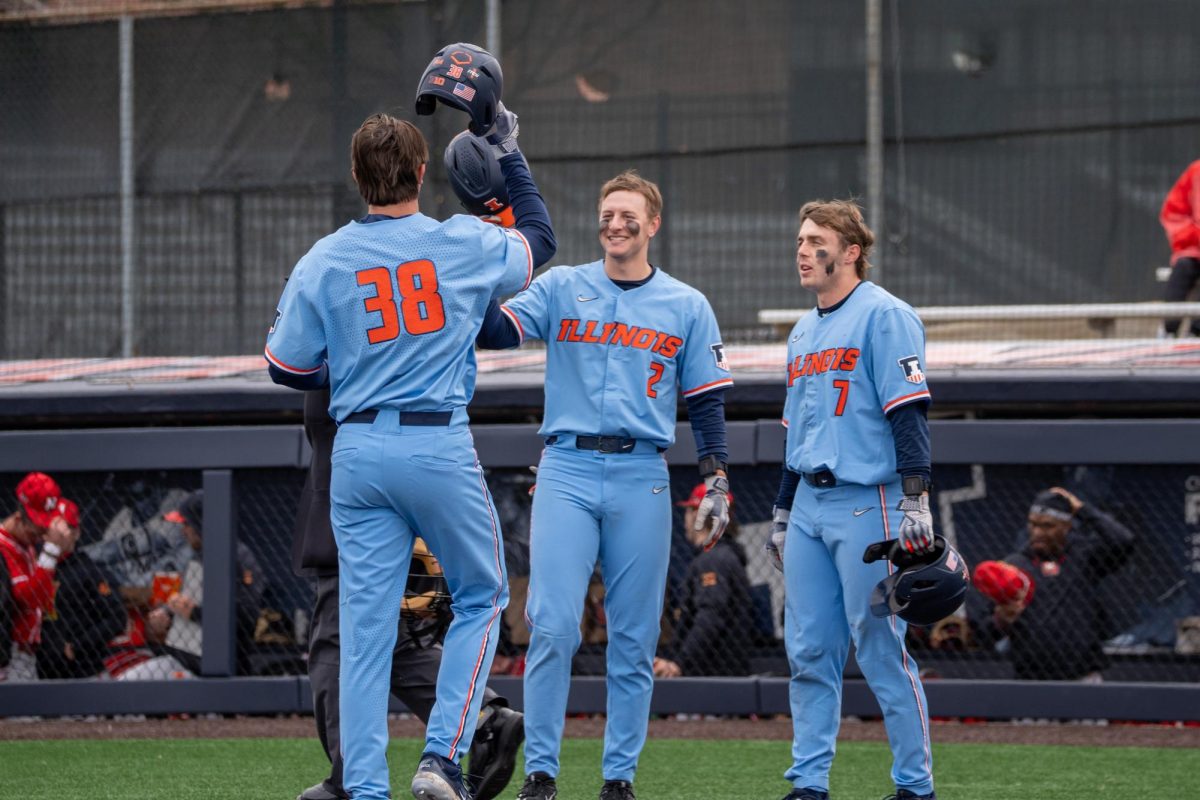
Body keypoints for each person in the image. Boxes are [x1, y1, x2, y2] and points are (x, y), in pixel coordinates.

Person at [264, 95, 555, 799]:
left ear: (357, 178)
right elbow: (539, 241)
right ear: (421, 172)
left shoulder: (325, 257)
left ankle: (364, 790)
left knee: (364, 635)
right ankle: (442, 757)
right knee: (484, 596)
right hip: (434, 442)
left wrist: (363, 362)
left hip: (358, 449)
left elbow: (286, 367)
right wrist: (508, 152)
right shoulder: (459, 241)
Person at [476, 169, 734, 800]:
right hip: (566, 467)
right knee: (555, 625)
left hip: (642, 471)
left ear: (653, 224)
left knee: (634, 634)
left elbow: (705, 402)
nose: (615, 225)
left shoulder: (685, 304)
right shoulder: (564, 286)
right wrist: (484, 262)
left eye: (628, 216)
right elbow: (495, 331)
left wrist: (717, 477)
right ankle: (541, 773)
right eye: (607, 214)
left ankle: (618, 779)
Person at [767, 200, 937, 800]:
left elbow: (908, 412)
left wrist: (916, 500)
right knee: (808, 650)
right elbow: (797, 435)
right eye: (799, 239)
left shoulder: (885, 315)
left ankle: (915, 787)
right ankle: (809, 784)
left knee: (880, 648)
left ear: (852, 250)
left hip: (872, 501)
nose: (803, 249)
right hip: (811, 505)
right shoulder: (802, 330)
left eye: (816, 240)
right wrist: (785, 513)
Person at [294, 387, 524, 800]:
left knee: (341, 639)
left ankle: (351, 780)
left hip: (357, 466)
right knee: (388, 641)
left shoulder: (341, 329)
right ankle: (482, 716)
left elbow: (289, 364)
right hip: (411, 458)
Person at [974, 487, 1135, 681]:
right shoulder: (1013, 567)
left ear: (1066, 526)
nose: (1037, 532)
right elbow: (982, 634)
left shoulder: (1084, 555)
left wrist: (1081, 509)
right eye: (1033, 525)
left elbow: (1123, 540)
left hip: (1082, 676)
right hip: (1031, 679)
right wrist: (1002, 621)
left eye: (1047, 526)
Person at [144, 490, 266, 676]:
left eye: (186, 524)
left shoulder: (238, 557)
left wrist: (195, 613)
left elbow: (247, 613)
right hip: (185, 659)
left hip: (224, 666)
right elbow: (189, 600)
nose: (183, 531)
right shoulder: (198, 556)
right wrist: (167, 613)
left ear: (200, 525)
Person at [654, 483, 753, 678]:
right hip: (723, 676)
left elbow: (710, 617)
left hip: (713, 678)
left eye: (690, 511)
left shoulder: (713, 559)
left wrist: (678, 664)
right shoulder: (725, 555)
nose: (686, 520)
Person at [36, 499, 127, 680]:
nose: (59, 534)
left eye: (66, 528)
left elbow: (117, 617)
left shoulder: (88, 571)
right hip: (36, 669)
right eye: (53, 528)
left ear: (77, 533)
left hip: (82, 674)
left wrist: (77, 646)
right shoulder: (35, 567)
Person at [0, 472, 69, 682]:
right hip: (8, 651)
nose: (39, 539)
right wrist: (50, 551)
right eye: (35, 533)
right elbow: (29, 598)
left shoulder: (26, 544)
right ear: (19, 518)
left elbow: (43, 599)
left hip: (27, 653)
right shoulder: (3, 545)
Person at [1160, 159, 1200, 337]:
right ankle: (1168, 331)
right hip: (1194, 249)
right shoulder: (1195, 172)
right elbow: (1174, 212)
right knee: (1183, 267)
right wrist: (1194, 236)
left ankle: (1196, 332)